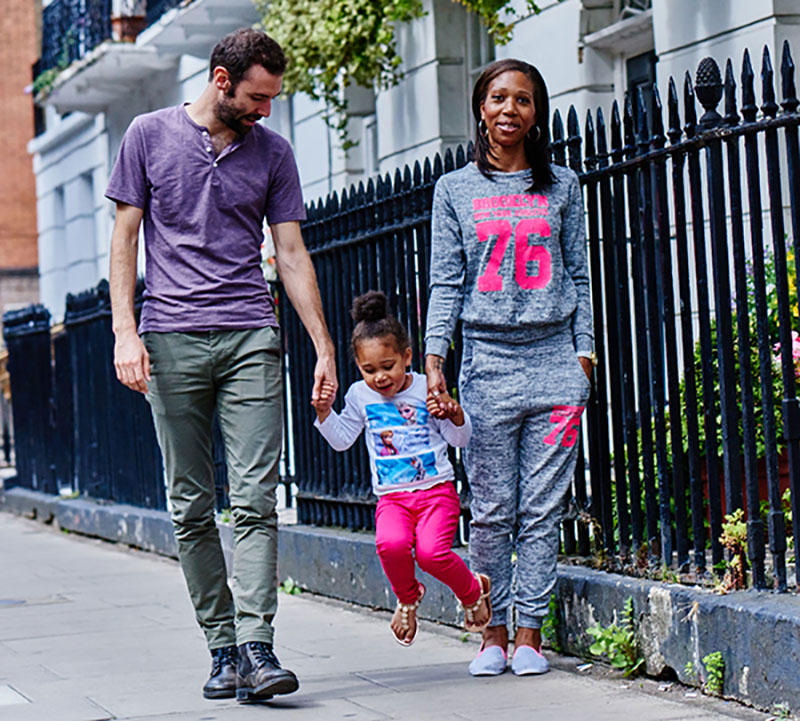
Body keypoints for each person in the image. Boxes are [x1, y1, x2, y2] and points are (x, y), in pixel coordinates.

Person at [106, 28, 337, 703]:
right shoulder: (147, 136)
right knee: (190, 505)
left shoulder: (274, 153)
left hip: (249, 338)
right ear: (220, 79)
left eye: (273, 99)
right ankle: (222, 647)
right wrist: (126, 330)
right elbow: (124, 239)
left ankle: (259, 646)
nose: (267, 110)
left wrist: (322, 345)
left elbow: (290, 254)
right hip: (171, 337)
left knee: (258, 499)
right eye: (258, 97)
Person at [424, 58, 593, 677]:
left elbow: (579, 274)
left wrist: (585, 355)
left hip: (555, 367)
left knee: (543, 509)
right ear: (480, 107)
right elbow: (446, 282)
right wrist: (436, 357)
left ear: (535, 113)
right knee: (492, 507)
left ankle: (529, 635)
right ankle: (490, 632)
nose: (509, 110)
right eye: (498, 97)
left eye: (522, 100)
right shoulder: (454, 190)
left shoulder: (564, 187)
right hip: (488, 366)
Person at [311, 291, 491, 646]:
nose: (380, 377)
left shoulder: (427, 388)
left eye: (388, 365)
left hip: (436, 491)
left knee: (431, 553)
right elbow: (343, 439)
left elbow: (459, 439)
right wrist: (324, 413)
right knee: (389, 544)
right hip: (392, 498)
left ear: (407, 356)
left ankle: (472, 591)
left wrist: (456, 414)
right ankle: (408, 598)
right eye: (369, 370)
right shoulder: (360, 396)